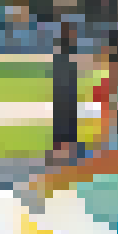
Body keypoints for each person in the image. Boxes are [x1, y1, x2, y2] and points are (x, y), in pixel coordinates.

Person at [50, 26, 82, 163]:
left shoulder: (63, 59)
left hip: (64, 93)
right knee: (65, 121)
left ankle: (62, 150)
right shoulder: (66, 59)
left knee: (64, 121)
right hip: (65, 93)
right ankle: (64, 150)